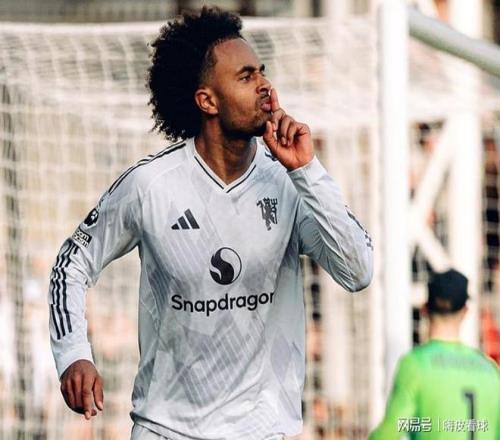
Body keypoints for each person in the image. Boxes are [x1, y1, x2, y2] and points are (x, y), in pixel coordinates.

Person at [48, 7, 373, 440]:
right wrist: (73, 353)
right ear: (208, 101)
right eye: (245, 76)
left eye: (262, 71)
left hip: (262, 432)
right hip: (166, 430)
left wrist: (307, 170)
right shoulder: (151, 185)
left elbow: (358, 270)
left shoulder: (290, 182)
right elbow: (71, 263)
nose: (265, 85)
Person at [369, 269, 499, 440]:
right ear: (465, 311)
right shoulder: (490, 370)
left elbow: (388, 434)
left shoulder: (415, 365)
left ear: (425, 309)